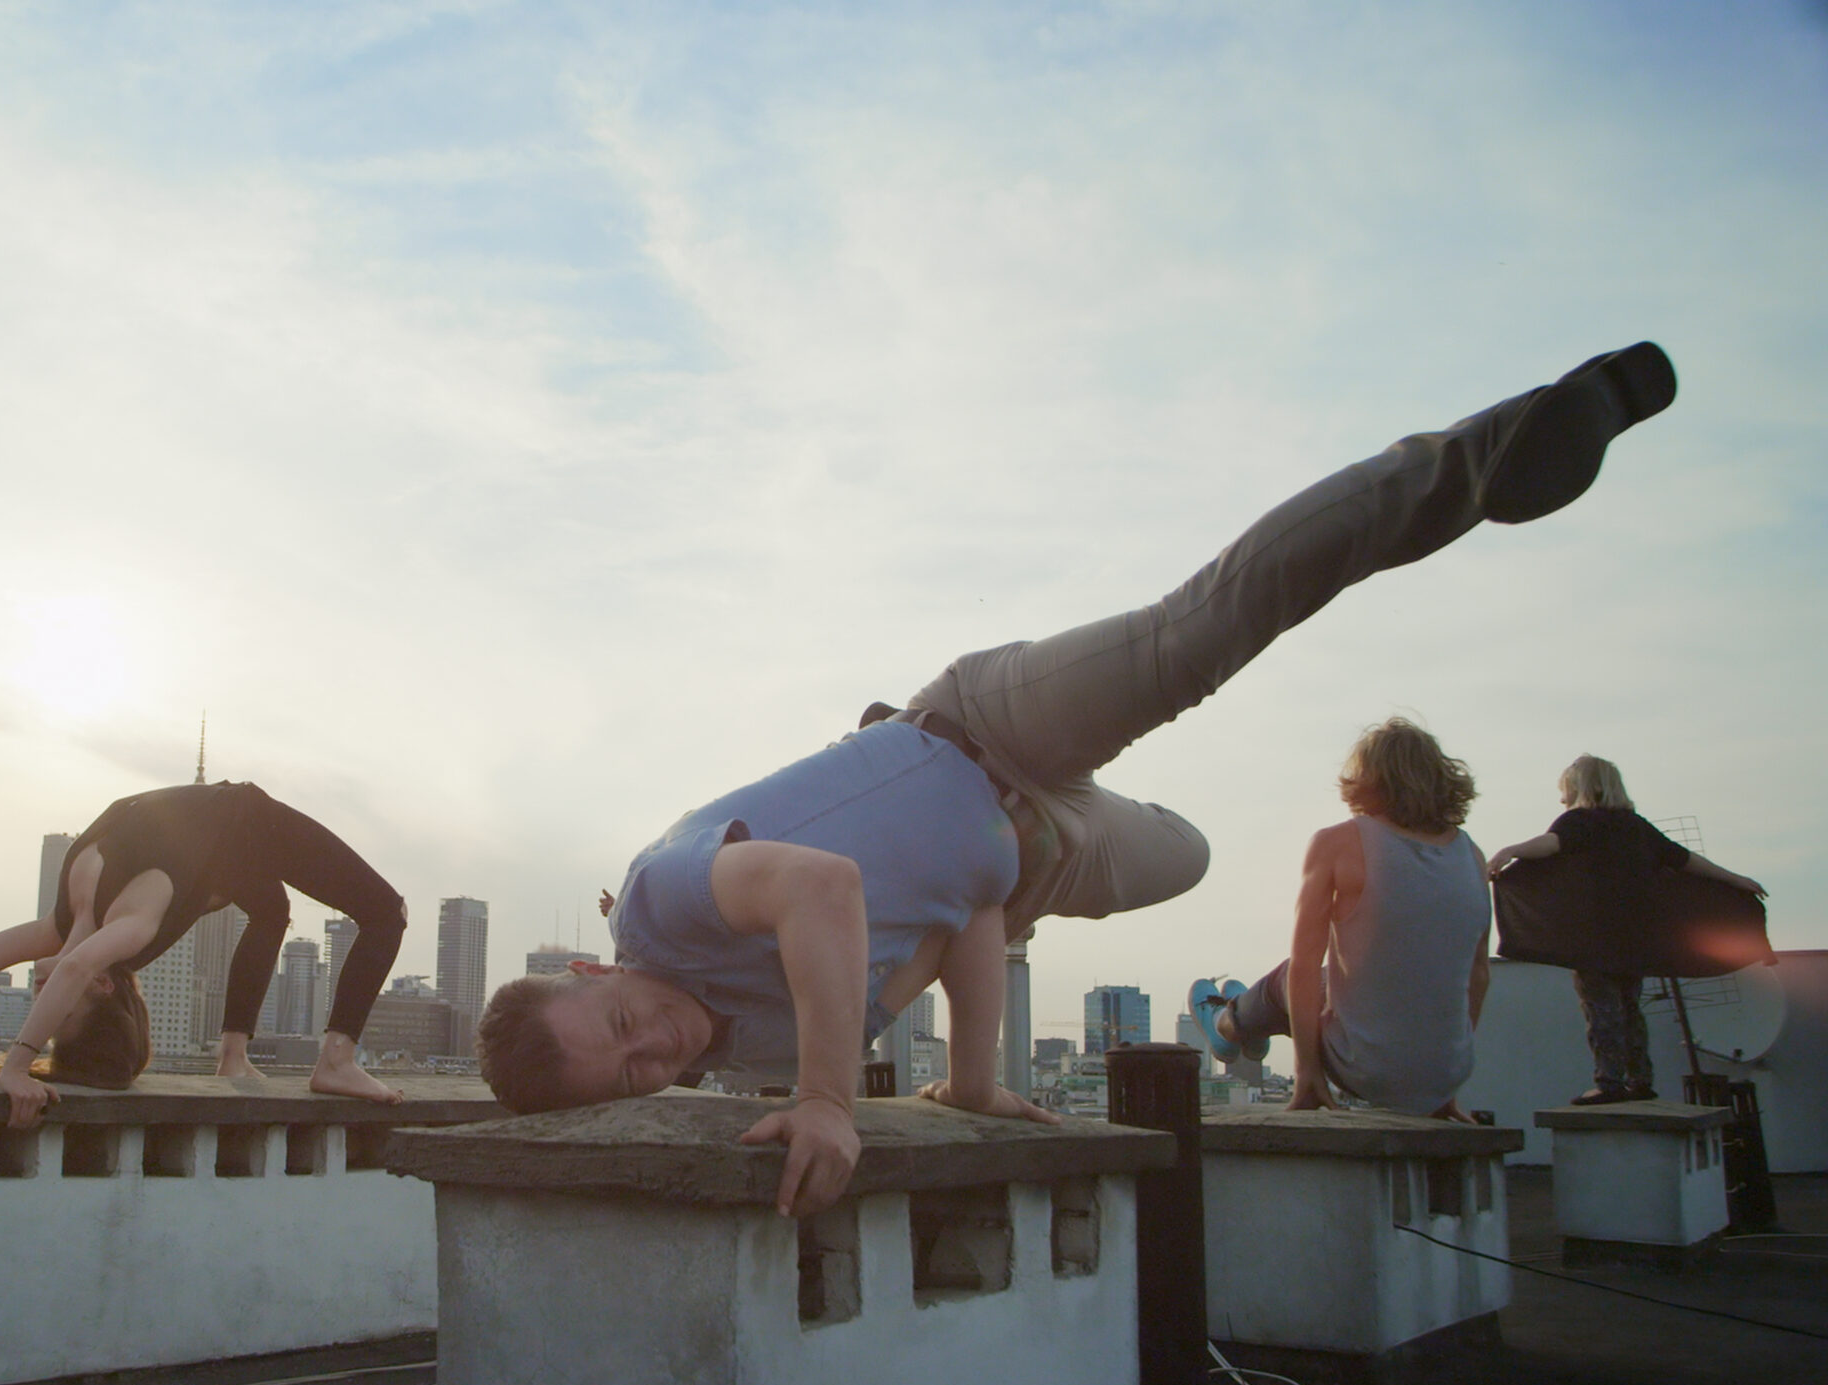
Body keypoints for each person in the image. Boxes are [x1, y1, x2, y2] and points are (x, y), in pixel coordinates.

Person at [476, 342, 1677, 1220]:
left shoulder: (659, 901)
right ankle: (931, 795)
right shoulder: (745, 1037)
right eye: (634, 1075)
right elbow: (955, 925)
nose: (659, 1051)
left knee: (1200, 634)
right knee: (1190, 855)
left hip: (985, 730)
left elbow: (823, 890)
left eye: (624, 1024)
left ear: (592, 971)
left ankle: (1489, 456)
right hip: (1028, 851)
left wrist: (831, 1097)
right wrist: (973, 1081)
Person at [0, 780, 409, 1123]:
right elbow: (75, 967)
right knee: (387, 914)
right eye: (63, 1010)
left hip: (227, 841)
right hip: (246, 822)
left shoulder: (62, 924)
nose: (40, 997)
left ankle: (232, 1056)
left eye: (50, 1020)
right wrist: (19, 1066)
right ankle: (335, 1061)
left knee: (271, 910)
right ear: (104, 986)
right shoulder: (129, 928)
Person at [1189, 720, 1491, 1118]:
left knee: (1287, 977)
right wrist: (1444, 1084)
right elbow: (1477, 974)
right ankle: (1250, 1021)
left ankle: (1227, 1027)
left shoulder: (1338, 842)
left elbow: (1304, 965)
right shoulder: (1472, 856)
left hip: (1365, 1068)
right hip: (1443, 1076)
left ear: (1368, 778)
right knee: (1338, 977)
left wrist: (1308, 1072)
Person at [1485, 754, 1766, 1104]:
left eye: (1565, 789)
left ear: (1580, 787)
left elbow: (1551, 844)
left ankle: (1610, 1084)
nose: (1562, 797)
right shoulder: (1636, 827)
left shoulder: (1580, 821)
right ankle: (1640, 1081)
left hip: (1596, 939)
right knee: (1630, 1010)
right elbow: (1686, 861)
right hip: (1635, 939)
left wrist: (1510, 851)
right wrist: (1736, 880)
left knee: (1601, 1009)